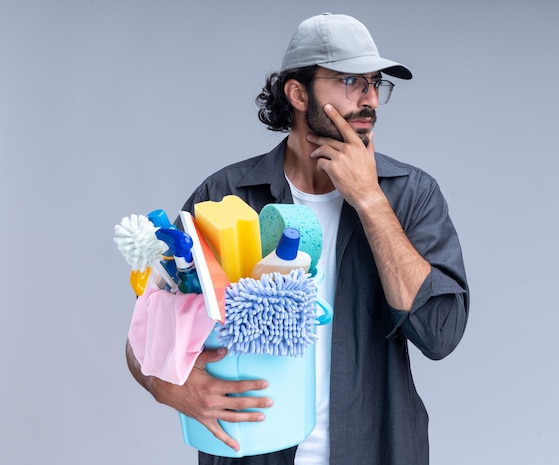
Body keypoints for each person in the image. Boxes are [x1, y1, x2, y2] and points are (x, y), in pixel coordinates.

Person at [126, 12, 469, 465]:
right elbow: (145, 334)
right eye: (351, 81)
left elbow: (440, 334)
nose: (370, 101)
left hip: (374, 449)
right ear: (297, 92)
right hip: (250, 453)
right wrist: (170, 388)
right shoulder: (225, 195)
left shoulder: (410, 194)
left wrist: (369, 200)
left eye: (375, 83)